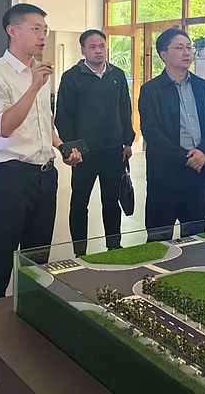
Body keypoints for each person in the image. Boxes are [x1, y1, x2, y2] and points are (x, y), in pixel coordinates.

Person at [0, 3, 82, 301]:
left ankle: (32, 312)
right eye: (36, 29)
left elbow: (42, 123)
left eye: (45, 30)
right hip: (10, 179)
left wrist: (61, 146)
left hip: (45, 178)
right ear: (12, 30)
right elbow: (5, 127)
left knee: (38, 259)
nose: (43, 36)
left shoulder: (40, 73)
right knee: (0, 259)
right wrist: (33, 86)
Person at [55, 29, 134, 256]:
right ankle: (80, 252)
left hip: (113, 151)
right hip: (84, 153)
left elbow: (125, 109)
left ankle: (114, 247)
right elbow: (63, 116)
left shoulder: (117, 75)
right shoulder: (71, 77)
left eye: (101, 46)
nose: (98, 51)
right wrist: (71, 149)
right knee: (80, 204)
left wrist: (127, 141)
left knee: (111, 202)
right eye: (92, 47)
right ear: (83, 51)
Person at [138, 28, 205, 241]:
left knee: (195, 239)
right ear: (163, 54)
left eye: (189, 47)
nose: (187, 52)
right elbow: (151, 132)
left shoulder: (203, 87)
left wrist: (203, 152)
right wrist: (186, 157)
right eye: (179, 47)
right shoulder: (151, 90)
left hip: (198, 173)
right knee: (159, 239)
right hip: (165, 176)